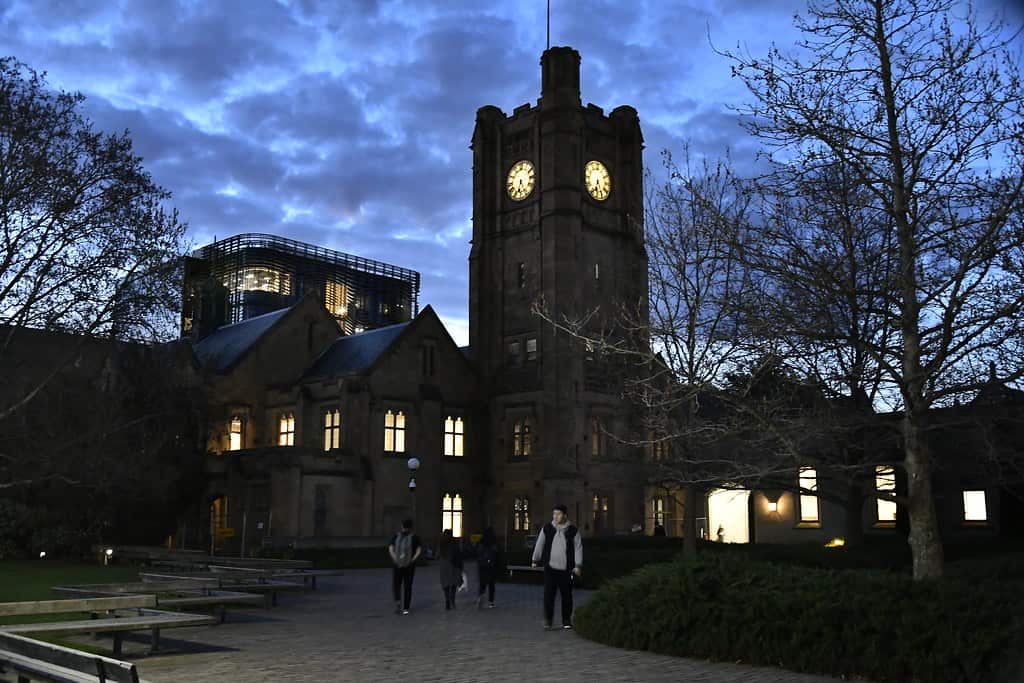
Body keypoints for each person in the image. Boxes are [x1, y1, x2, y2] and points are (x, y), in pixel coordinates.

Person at [531, 504, 583, 630]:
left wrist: (578, 565)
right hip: (550, 568)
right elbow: (540, 544)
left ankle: (566, 620)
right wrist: (535, 559)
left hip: (566, 569)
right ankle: (548, 620)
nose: (555, 516)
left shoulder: (573, 530)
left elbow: (578, 548)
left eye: (558, 514)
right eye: (554, 514)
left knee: (567, 596)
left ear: (565, 515)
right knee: (549, 595)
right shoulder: (547, 528)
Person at [388, 519, 422, 615]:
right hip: (410, 566)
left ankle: (398, 605)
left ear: (402, 525)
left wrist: (396, 559)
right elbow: (418, 551)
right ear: (411, 527)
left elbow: (390, 548)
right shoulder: (415, 537)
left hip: (397, 565)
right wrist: (412, 560)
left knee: (396, 585)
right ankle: (406, 608)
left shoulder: (396, 536)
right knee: (408, 586)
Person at [438, 529, 465, 610]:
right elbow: (459, 555)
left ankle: (447, 602)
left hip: (444, 565)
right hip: (453, 565)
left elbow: (437, 554)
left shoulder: (441, 543)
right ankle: (452, 601)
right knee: (453, 584)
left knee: (446, 584)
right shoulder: (454, 543)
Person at [476, 527, 500, 609]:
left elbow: (477, 553)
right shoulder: (494, 542)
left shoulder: (481, 542)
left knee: (482, 583)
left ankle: (481, 596)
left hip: (482, 566)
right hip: (491, 566)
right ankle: (491, 602)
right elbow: (497, 554)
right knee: (491, 584)